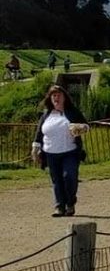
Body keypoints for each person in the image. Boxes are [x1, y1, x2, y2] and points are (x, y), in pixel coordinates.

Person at [32, 85, 89, 217]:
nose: (56, 97)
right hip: (50, 153)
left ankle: (70, 203)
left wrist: (80, 127)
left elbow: (86, 126)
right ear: (50, 98)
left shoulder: (72, 112)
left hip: (70, 151)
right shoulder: (46, 114)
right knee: (56, 180)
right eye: (53, 95)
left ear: (64, 97)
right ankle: (59, 206)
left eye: (58, 95)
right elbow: (39, 133)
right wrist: (35, 148)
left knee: (69, 176)